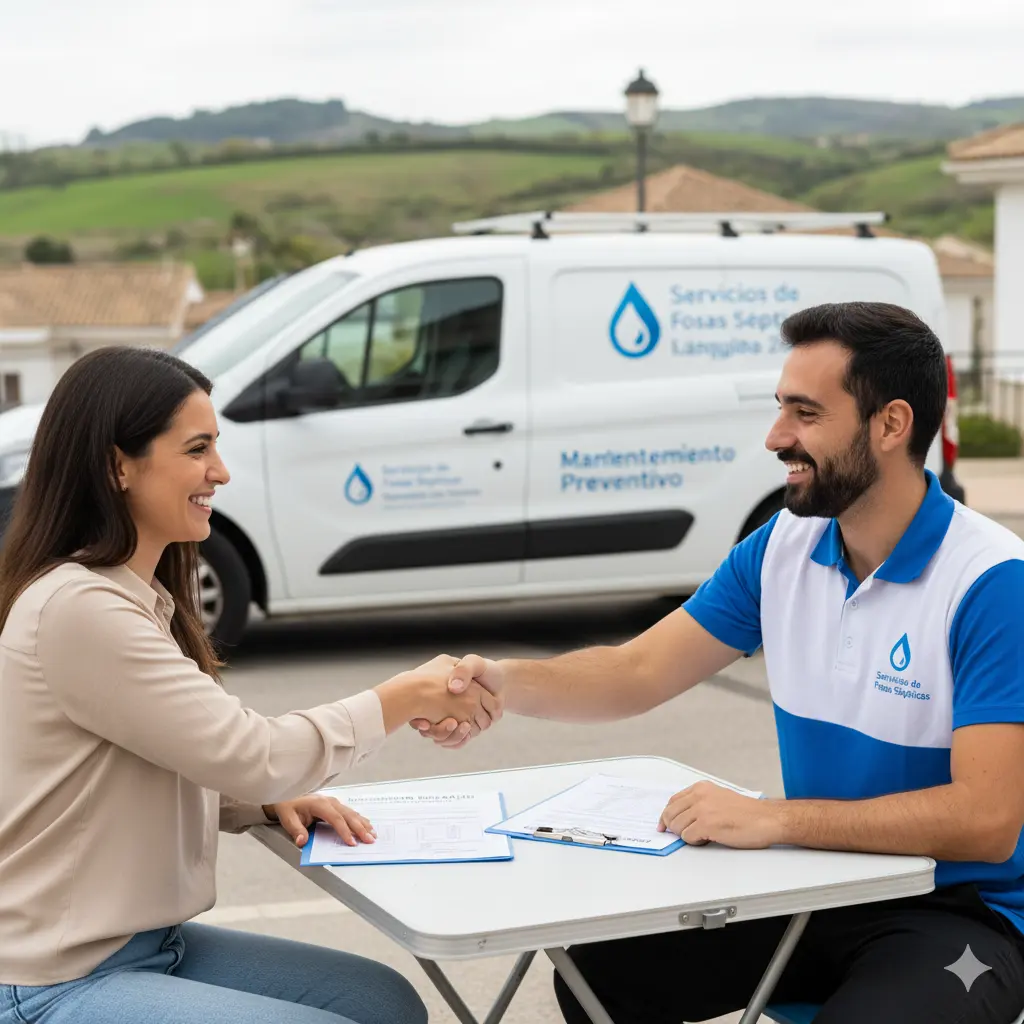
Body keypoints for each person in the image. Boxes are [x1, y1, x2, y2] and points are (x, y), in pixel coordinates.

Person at [415, 302, 1024, 1024]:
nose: (776, 437)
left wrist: (776, 820)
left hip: (957, 913)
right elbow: (637, 672)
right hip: (822, 885)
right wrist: (500, 683)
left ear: (891, 426)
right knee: (600, 972)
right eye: (779, 409)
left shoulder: (993, 583)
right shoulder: (781, 548)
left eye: (805, 413)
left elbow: (986, 823)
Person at [0, 347, 500, 1024]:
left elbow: (176, 756)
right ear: (119, 464)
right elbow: (255, 753)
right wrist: (405, 696)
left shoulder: (131, 598)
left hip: (147, 944)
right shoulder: (79, 609)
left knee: (382, 1003)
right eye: (198, 448)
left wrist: (259, 803)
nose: (220, 472)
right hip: (54, 976)